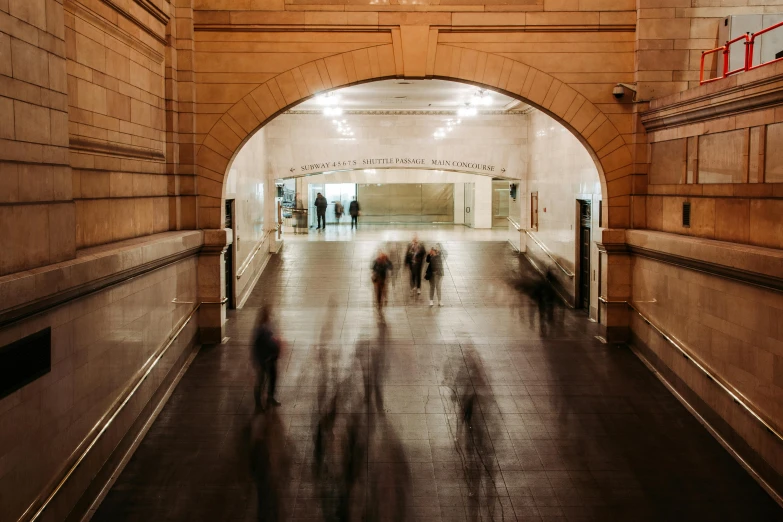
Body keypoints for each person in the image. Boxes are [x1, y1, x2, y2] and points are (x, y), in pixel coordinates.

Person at [252, 306, 282, 410]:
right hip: (263, 359)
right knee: (261, 380)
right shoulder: (260, 329)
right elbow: (257, 346)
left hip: (270, 358)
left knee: (272, 377)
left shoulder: (267, 326)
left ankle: (270, 397)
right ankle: (258, 403)